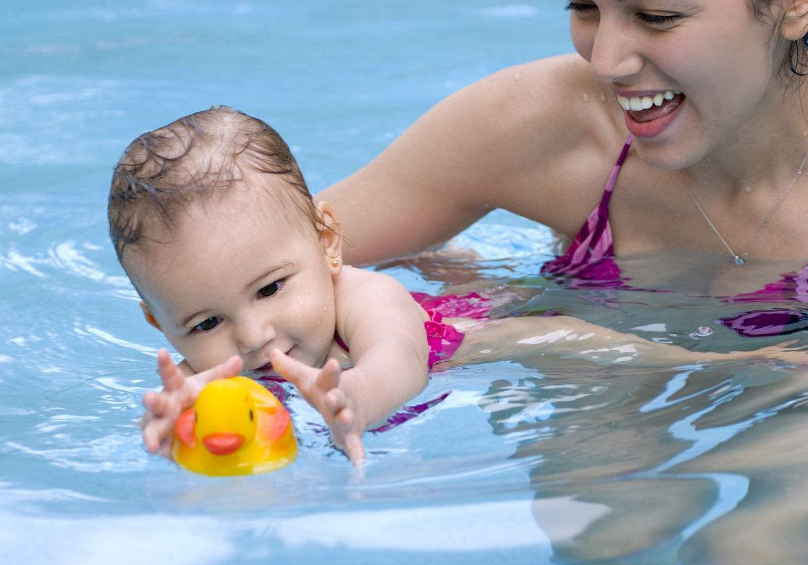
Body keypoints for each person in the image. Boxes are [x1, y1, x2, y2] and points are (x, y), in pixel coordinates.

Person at [107, 106, 808, 466]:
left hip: (455, 334)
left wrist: (353, 399)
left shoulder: (362, 297)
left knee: (573, 337)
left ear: (328, 243)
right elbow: (188, 420)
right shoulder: (199, 367)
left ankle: (729, 362)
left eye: (269, 289)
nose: (254, 337)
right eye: (204, 325)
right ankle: (445, 255)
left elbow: (399, 364)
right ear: (156, 322)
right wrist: (173, 427)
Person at [317, 0, 808, 337]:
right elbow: (268, 269)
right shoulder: (544, 122)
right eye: (585, 7)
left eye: (657, 16)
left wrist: (532, 336)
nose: (606, 63)